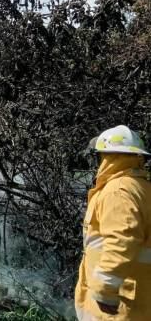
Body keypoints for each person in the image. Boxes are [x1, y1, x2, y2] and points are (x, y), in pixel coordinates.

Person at [74, 125, 151, 321]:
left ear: (109, 157)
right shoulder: (141, 188)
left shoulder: (118, 191)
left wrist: (105, 288)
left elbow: (122, 239)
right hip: (136, 296)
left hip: (120, 303)